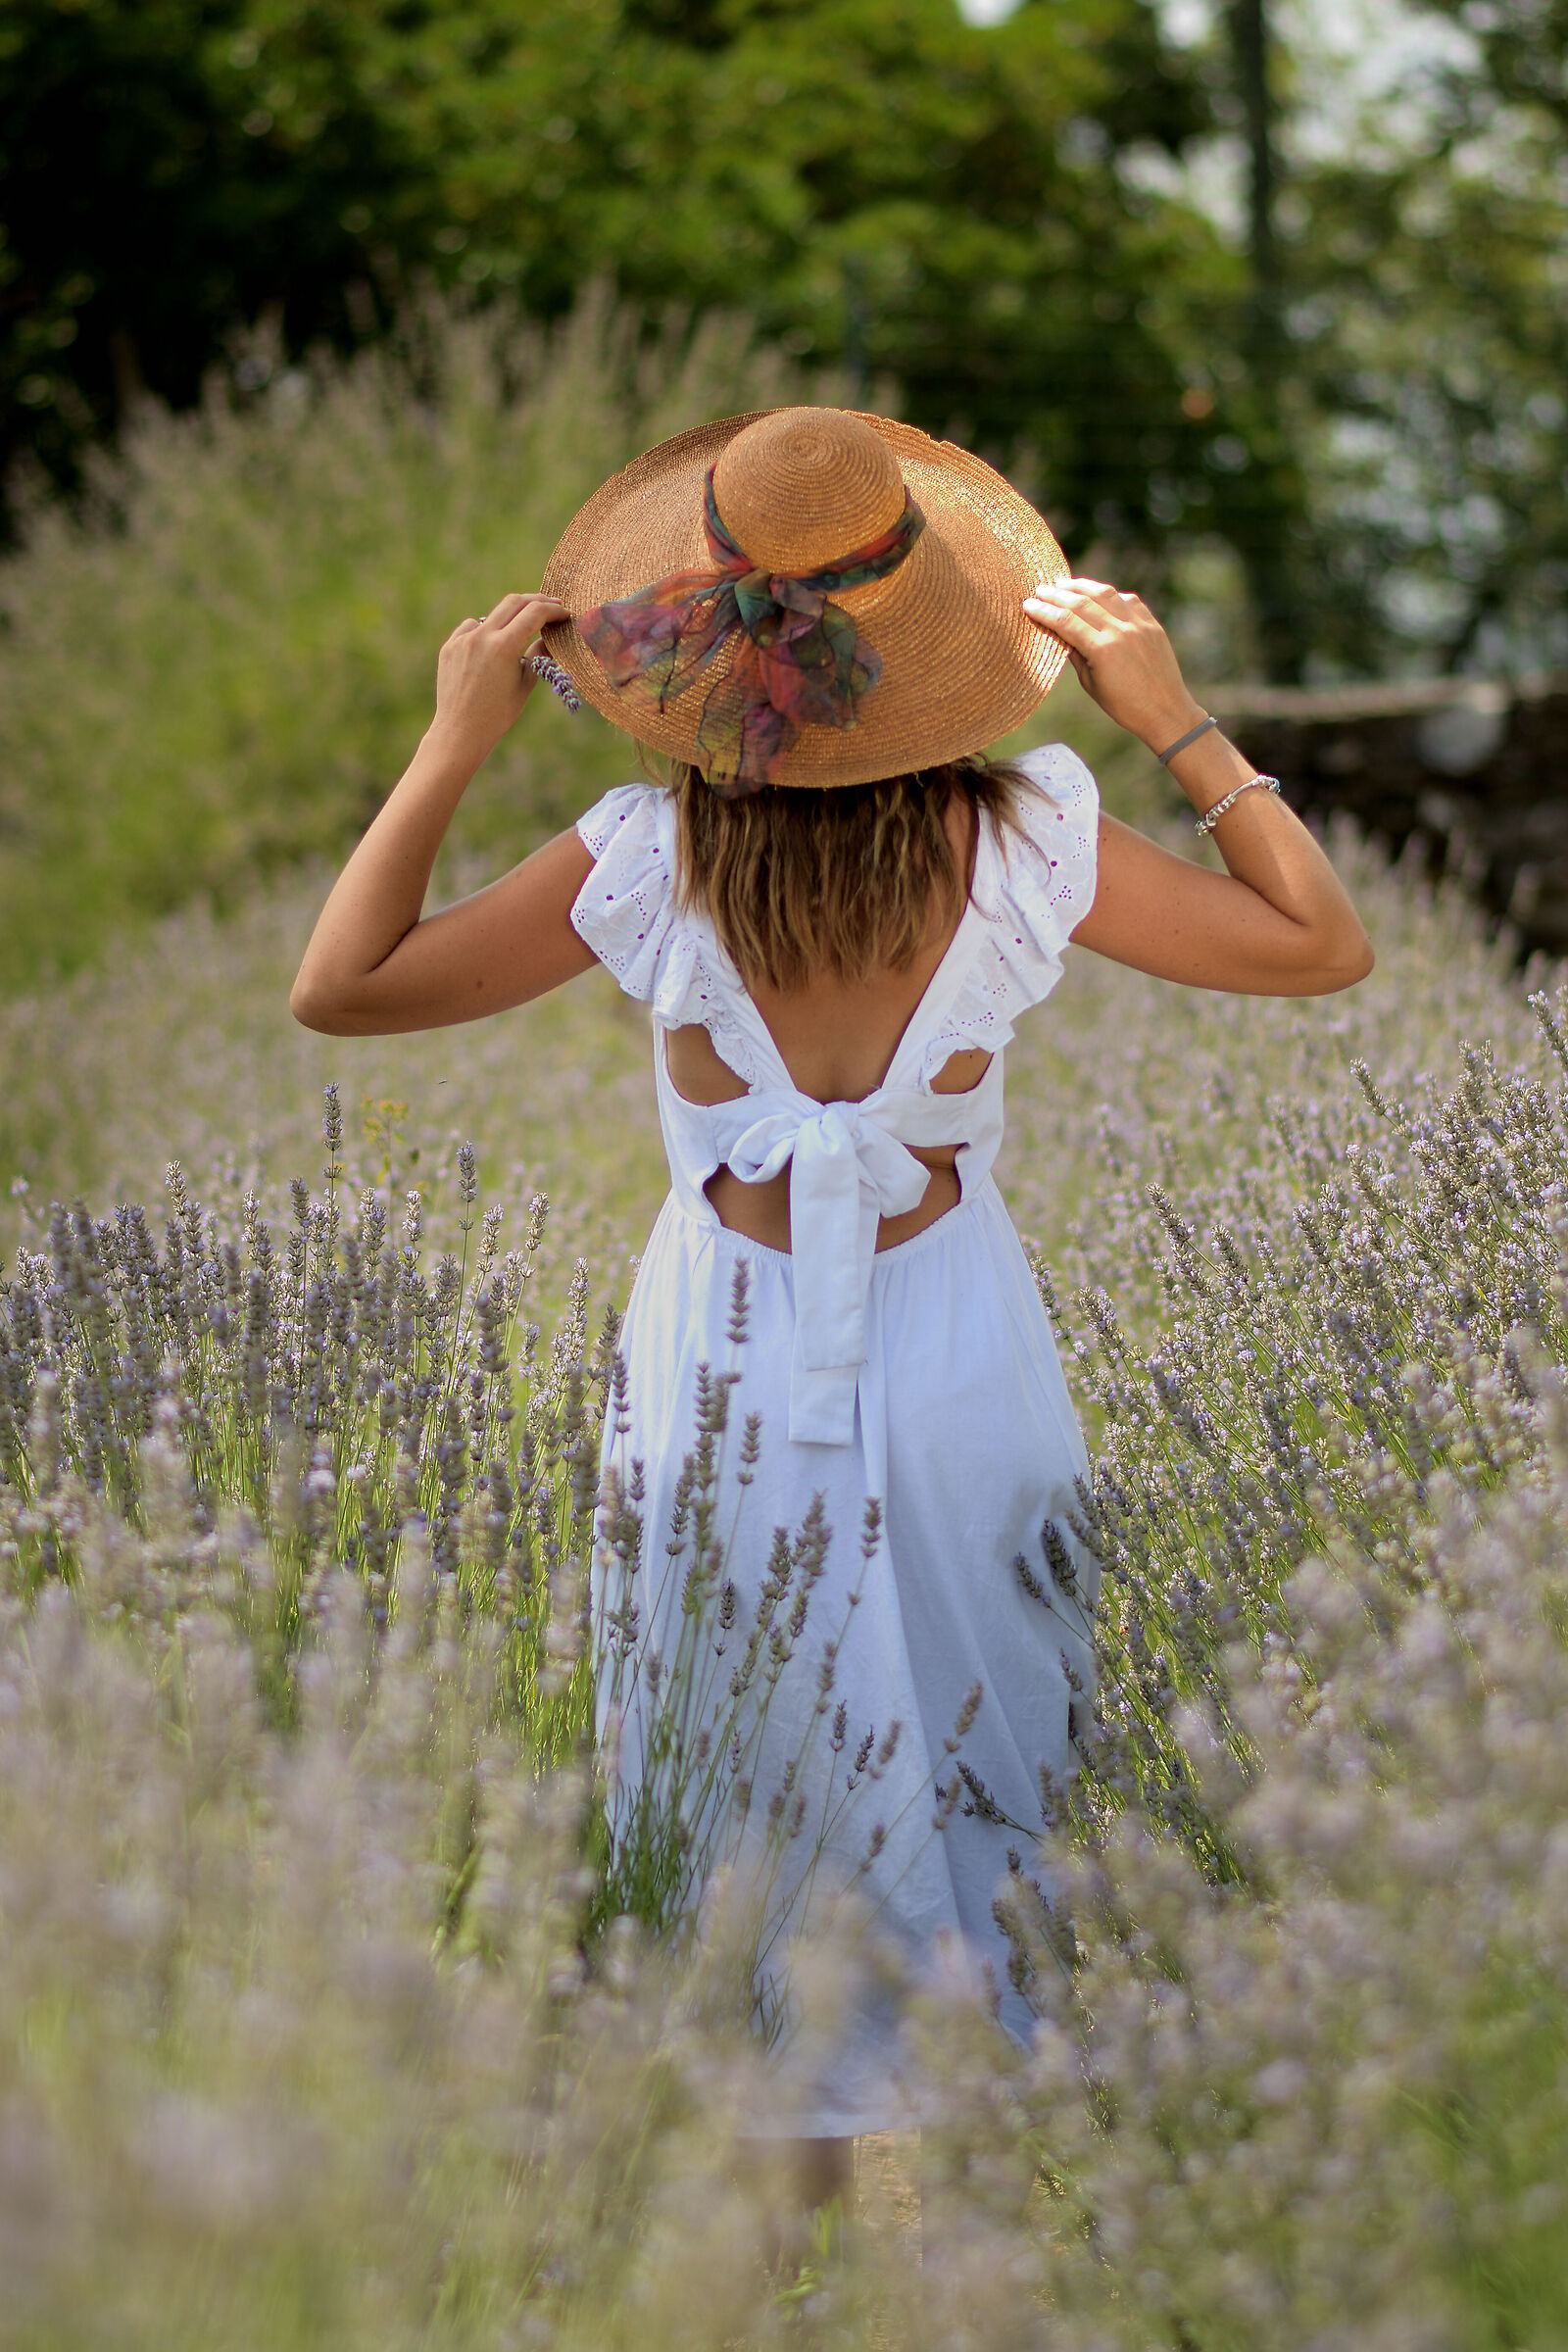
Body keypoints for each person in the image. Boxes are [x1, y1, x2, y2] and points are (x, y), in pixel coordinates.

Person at [291, 406, 1372, 2210]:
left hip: (717, 1343)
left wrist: (450, 739)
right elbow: (1323, 948)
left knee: (732, 1767)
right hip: (961, 1341)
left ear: (699, 627)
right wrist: (1170, 713)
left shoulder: (647, 851)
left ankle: (774, 2258)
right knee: (999, 1738)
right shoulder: (1030, 836)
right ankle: (1014, 2229)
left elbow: (346, 988)